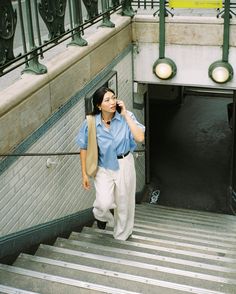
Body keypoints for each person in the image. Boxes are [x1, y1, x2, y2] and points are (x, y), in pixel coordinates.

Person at [76, 86, 145, 240]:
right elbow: (84, 147)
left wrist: (126, 114)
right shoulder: (91, 123)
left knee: (124, 202)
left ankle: (121, 235)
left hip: (124, 163)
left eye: (114, 98)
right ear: (99, 106)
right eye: (107, 100)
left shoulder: (126, 117)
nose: (113, 102)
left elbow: (140, 138)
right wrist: (84, 175)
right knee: (103, 203)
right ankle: (103, 217)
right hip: (103, 167)